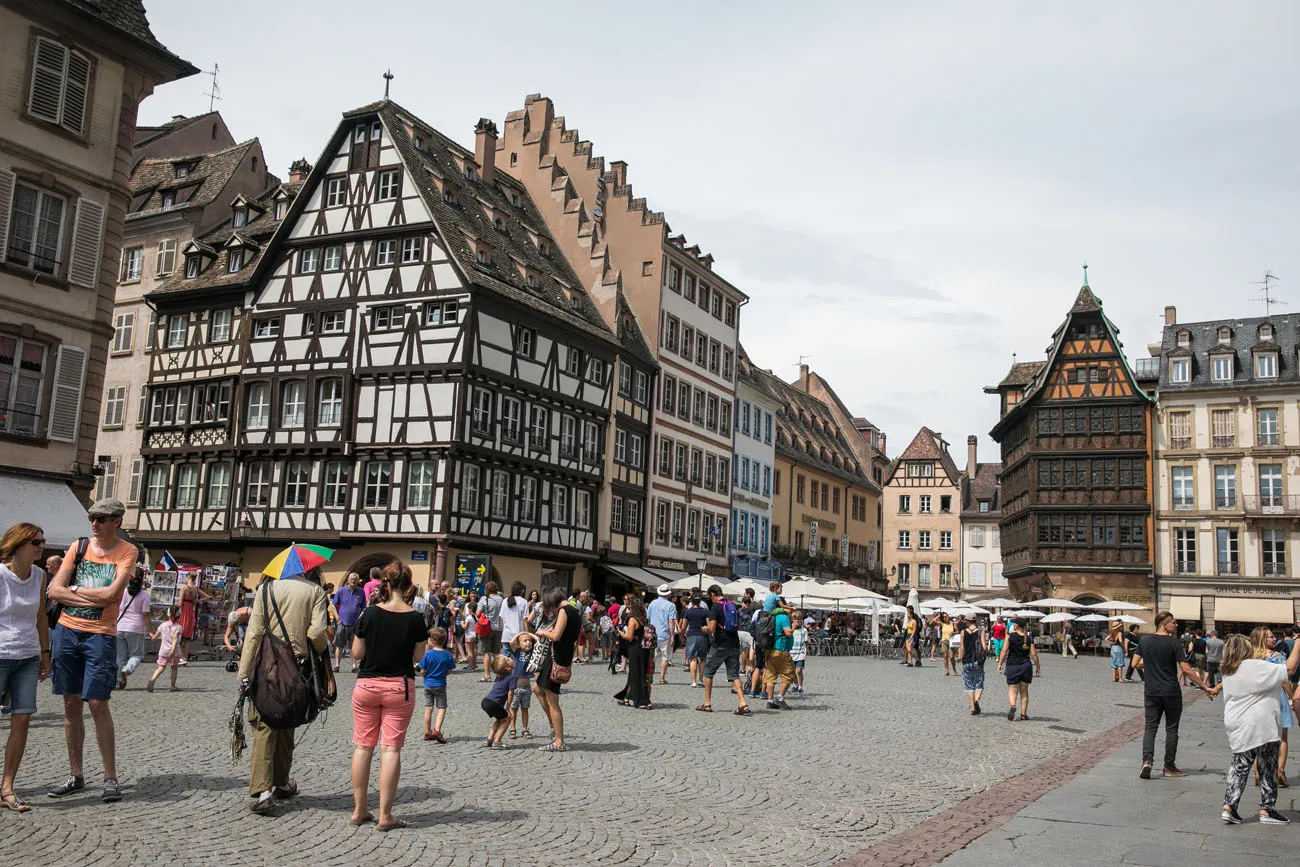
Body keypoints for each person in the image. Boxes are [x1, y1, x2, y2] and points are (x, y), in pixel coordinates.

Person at [45, 499, 138, 803]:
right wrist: (89, 597)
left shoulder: (127, 551)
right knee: (71, 704)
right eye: (92, 518)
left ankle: (110, 777)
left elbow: (112, 594)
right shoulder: (79, 546)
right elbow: (53, 590)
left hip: (100, 635)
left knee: (98, 703)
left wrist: (73, 592)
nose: (95, 524)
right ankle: (76, 775)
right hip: (67, 632)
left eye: (101, 519)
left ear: (116, 522)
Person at [238, 565, 329, 814]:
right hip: (298, 666)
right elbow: (317, 633)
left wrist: (243, 673)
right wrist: (317, 651)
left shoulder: (266, 590)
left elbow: (254, 634)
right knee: (288, 720)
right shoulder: (314, 591)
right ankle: (281, 782)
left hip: (267, 665)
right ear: (305, 570)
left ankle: (264, 791)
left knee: (265, 724)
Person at [349, 565, 426, 830]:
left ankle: (359, 810)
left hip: (367, 685)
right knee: (391, 749)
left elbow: (357, 653)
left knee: (363, 746)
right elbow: (418, 657)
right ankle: (385, 816)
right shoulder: (416, 618)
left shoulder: (370, 613)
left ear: (386, 583)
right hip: (398, 687)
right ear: (408, 585)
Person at [1208, 633, 1300, 825]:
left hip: (1237, 723)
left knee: (1239, 766)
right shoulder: (1254, 666)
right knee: (1268, 766)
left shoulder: (1228, 669)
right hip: (1261, 724)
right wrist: (1298, 643)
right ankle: (1267, 809)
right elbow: (1290, 668)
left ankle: (1229, 806)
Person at [0, 523, 51, 812]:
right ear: (19, 545)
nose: (42, 546)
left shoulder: (40, 575)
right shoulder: (0, 575)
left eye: (43, 541)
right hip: (0, 654)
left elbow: (41, 615)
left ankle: (7, 788)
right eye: (36, 542)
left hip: (27, 657)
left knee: (22, 721)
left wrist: (45, 653)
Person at [1132, 609, 1211, 779]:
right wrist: (1204, 686)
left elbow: (1134, 663)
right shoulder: (1174, 643)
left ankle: (1147, 761)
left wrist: (1150, 665)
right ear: (1164, 624)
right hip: (1171, 691)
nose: (1176, 625)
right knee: (1171, 729)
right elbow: (1186, 669)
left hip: (1152, 691)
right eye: (1173, 622)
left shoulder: (1144, 641)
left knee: (1150, 727)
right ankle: (1169, 767)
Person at [531, 587, 581, 752]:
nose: (551, 611)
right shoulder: (575, 610)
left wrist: (543, 632)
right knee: (537, 688)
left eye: (550, 607)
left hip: (556, 658)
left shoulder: (564, 611)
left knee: (553, 701)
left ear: (553, 603)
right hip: (562, 656)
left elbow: (556, 635)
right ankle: (554, 726)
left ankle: (559, 740)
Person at [1249, 627, 1294, 788]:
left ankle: (1257, 771)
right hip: (1277, 697)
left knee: (1258, 736)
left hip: (1258, 698)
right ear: (1262, 639)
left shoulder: (1251, 657)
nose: (1274, 639)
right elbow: (1284, 680)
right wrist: (1292, 697)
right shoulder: (1278, 657)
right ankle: (1279, 770)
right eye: (1270, 637)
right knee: (1283, 737)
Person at [697, 584, 749, 715]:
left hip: (720, 644)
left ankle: (707, 703)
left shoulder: (716, 607)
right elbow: (738, 626)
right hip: (734, 644)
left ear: (713, 594)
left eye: (710, 596)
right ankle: (742, 702)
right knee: (734, 675)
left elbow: (712, 628)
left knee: (708, 672)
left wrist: (704, 629)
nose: (711, 599)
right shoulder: (733, 605)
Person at [997, 618, 1041, 721]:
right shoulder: (1029, 638)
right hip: (1026, 666)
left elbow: (1004, 650)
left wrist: (1000, 663)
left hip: (1012, 666)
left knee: (1012, 689)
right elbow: (1034, 654)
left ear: (1016, 626)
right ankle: (1023, 714)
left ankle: (1013, 706)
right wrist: (1038, 666)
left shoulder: (1010, 637)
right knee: (1024, 691)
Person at [417, 626, 455, 744]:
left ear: (432, 640)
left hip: (428, 684)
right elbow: (449, 670)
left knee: (428, 707)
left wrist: (425, 675)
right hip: (440, 684)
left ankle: (427, 732)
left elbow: (422, 670)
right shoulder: (447, 655)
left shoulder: (427, 654)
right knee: (441, 707)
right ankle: (437, 730)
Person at [115, 569, 151, 690]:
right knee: (136, 655)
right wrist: (150, 630)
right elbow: (146, 614)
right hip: (135, 628)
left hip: (120, 626)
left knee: (120, 657)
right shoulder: (144, 595)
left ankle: (117, 682)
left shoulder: (123, 591)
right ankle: (127, 669)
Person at [614, 596, 651, 709]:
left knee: (635, 674)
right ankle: (626, 697)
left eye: (629, 608)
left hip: (635, 648)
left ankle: (640, 700)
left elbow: (629, 637)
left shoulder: (632, 620)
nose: (627, 610)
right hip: (643, 649)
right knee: (638, 673)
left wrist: (621, 633)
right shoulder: (643, 619)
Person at [332, 573, 366, 673]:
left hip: (355, 623)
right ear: (348, 580)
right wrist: (337, 617)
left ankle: (354, 666)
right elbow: (333, 605)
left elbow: (363, 608)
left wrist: (359, 619)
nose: (353, 581)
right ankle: (337, 665)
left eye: (355, 579)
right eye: (351, 579)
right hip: (342, 622)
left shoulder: (361, 591)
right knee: (339, 645)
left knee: (353, 646)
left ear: (358, 581)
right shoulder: (341, 590)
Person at [764, 604, 796, 709]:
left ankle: (770, 701)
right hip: (780, 649)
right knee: (788, 674)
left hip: (769, 650)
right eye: (790, 609)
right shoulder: (783, 617)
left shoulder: (771, 616)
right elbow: (788, 633)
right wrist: (794, 627)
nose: (791, 611)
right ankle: (780, 697)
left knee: (770, 676)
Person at [482, 654, 516, 749]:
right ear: (507, 668)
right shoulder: (512, 677)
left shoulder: (500, 676)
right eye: (508, 659)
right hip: (494, 703)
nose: (511, 659)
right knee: (508, 718)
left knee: (500, 719)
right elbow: (510, 694)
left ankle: (489, 739)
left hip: (486, 701)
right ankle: (497, 742)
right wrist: (507, 709)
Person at [146, 606, 183, 693]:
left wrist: (150, 634)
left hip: (163, 651)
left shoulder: (163, 625)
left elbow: (154, 638)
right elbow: (175, 639)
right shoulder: (178, 627)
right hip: (174, 651)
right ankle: (172, 686)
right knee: (174, 668)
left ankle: (152, 679)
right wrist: (173, 650)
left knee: (161, 667)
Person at [176, 573, 210, 664]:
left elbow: (180, 602)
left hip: (183, 612)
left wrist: (174, 608)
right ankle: (185, 657)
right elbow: (207, 597)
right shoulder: (196, 589)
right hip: (191, 612)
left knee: (178, 635)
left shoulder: (184, 588)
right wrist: (197, 601)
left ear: (188, 578)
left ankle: (182, 657)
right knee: (187, 638)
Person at [507, 632, 535, 739]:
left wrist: (529, 634)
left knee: (525, 709)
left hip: (527, 687)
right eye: (525, 641)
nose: (528, 642)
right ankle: (512, 729)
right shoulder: (517, 652)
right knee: (513, 709)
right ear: (519, 644)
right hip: (516, 687)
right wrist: (521, 633)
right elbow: (511, 642)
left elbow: (538, 642)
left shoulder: (532, 652)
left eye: (530, 641)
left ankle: (525, 729)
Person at [958, 616, 988, 715]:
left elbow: (962, 648)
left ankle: (973, 708)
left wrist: (961, 659)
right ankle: (976, 701)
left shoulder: (963, 632)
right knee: (979, 682)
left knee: (969, 685)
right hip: (977, 661)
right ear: (975, 621)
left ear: (967, 621)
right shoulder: (981, 631)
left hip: (966, 661)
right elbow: (984, 647)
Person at [647, 585, 676, 686]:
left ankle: (649, 677)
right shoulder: (671, 605)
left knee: (653, 656)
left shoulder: (652, 603)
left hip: (653, 633)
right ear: (668, 594)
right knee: (665, 656)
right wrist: (672, 635)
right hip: (665, 633)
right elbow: (671, 621)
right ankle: (662, 678)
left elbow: (648, 618)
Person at [682, 591, 710, 688]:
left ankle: (693, 681)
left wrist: (682, 634)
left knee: (692, 658)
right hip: (702, 635)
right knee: (702, 659)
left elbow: (684, 626)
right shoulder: (705, 611)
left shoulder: (688, 611)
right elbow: (709, 625)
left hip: (691, 635)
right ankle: (701, 680)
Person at [477, 580, 505, 677]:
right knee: (496, 653)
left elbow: (478, 613)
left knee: (486, 652)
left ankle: (487, 675)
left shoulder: (484, 599)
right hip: (498, 628)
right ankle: (499, 674)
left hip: (487, 628)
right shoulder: (501, 599)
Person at [499, 581, 528, 653]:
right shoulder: (524, 602)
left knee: (506, 659)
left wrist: (503, 631)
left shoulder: (505, 601)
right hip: (518, 635)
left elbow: (501, 618)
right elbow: (525, 620)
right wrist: (527, 634)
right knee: (518, 658)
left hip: (506, 636)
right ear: (521, 591)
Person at [790, 613, 808, 695]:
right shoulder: (790, 629)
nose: (796, 621)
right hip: (791, 652)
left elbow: (806, 641)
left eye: (798, 619)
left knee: (799, 670)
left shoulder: (804, 630)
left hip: (800, 652)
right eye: (794, 619)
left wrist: (805, 650)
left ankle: (800, 686)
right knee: (792, 671)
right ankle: (795, 684)